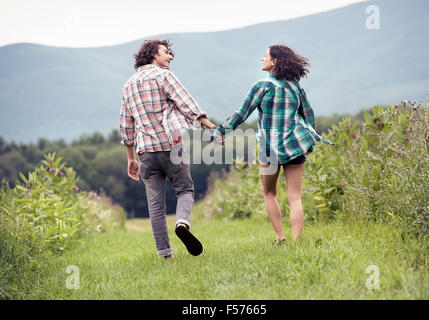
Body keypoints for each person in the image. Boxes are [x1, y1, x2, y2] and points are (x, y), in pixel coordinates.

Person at [212, 44, 334, 243]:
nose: (262, 59)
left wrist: (220, 131)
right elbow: (308, 116)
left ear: (274, 61)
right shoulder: (296, 87)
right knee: (295, 197)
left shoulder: (262, 87)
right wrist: (309, 143)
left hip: (270, 150)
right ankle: (297, 241)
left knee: (269, 193)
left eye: (265, 56)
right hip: (295, 147)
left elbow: (241, 114)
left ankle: (280, 237)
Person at [120, 39, 217, 259]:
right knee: (185, 190)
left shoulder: (128, 85)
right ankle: (182, 222)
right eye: (166, 52)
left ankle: (165, 255)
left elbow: (126, 125)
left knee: (155, 205)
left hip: (145, 153)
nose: (170, 56)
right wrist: (211, 127)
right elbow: (187, 102)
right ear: (153, 54)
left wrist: (130, 158)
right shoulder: (164, 75)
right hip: (170, 146)